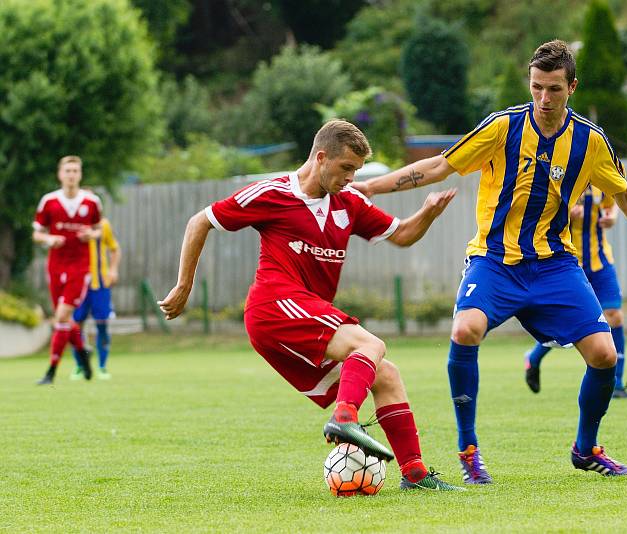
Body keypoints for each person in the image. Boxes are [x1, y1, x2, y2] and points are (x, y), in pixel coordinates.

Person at [352, 40, 627, 482]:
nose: (544, 99)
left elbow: (624, 196)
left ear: (572, 86)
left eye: (553, 89)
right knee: (464, 329)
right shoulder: (502, 127)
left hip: (555, 265)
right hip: (494, 261)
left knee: (605, 355)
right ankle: (468, 449)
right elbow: (439, 166)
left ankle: (586, 449)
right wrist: (372, 189)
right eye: (536, 88)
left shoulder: (589, 141)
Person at [158, 120, 463, 491]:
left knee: (386, 374)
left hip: (301, 315)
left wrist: (428, 213)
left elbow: (402, 234)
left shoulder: (349, 204)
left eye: (356, 170)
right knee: (370, 344)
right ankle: (344, 416)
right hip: (273, 306)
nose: (351, 178)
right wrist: (184, 284)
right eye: (346, 168)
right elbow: (199, 222)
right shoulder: (273, 193)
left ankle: (415, 475)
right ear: (321, 157)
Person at [524, 185, 627, 399]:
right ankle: (534, 357)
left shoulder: (599, 183)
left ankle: (618, 383)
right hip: (568, 264)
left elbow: (612, 206)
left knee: (614, 315)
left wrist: (612, 218)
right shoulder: (560, 182)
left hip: (601, 261)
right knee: (569, 323)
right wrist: (567, 213)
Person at [32, 155, 103, 385]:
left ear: (80, 175)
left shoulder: (91, 202)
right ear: (60, 174)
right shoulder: (49, 201)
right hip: (55, 265)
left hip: (80, 267)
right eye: (68, 171)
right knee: (65, 319)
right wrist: (49, 239)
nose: (71, 175)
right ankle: (83, 355)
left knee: (61, 316)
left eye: (75, 171)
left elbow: (99, 230)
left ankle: (51, 371)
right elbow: (37, 233)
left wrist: (90, 235)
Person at [71, 216, 121, 380]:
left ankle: (102, 367)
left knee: (102, 326)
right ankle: (80, 365)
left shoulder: (104, 224)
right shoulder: (72, 225)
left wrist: (113, 270)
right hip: (78, 284)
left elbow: (115, 248)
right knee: (76, 327)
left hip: (100, 284)